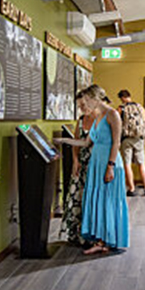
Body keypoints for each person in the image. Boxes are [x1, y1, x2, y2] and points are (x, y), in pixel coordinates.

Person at [56, 84, 129, 254]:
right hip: (96, 164)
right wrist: (64, 141)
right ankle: (100, 241)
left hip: (108, 163)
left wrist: (110, 167)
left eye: (85, 102)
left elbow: (116, 143)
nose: (83, 106)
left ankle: (108, 241)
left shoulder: (112, 114)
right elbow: (85, 142)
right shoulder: (97, 117)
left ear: (94, 99)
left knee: (108, 202)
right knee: (98, 202)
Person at [60, 92, 94, 246]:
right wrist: (75, 161)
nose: (82, 108)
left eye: (83, 105)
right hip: (82, 164)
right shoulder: (80, 121)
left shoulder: (100, 120)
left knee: (91, 200)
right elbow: (76, 142)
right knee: (77, 199)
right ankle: (77, 233)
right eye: (80, 106)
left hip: (95, 164)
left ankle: (92, 235)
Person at [117, 90, 145, 197]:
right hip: (139, 138)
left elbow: (117, 123)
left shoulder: (121, 108)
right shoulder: (140, 107)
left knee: (127, 164)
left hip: (126, 138)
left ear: (122, 98)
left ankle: (131, 189)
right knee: (142, 164)